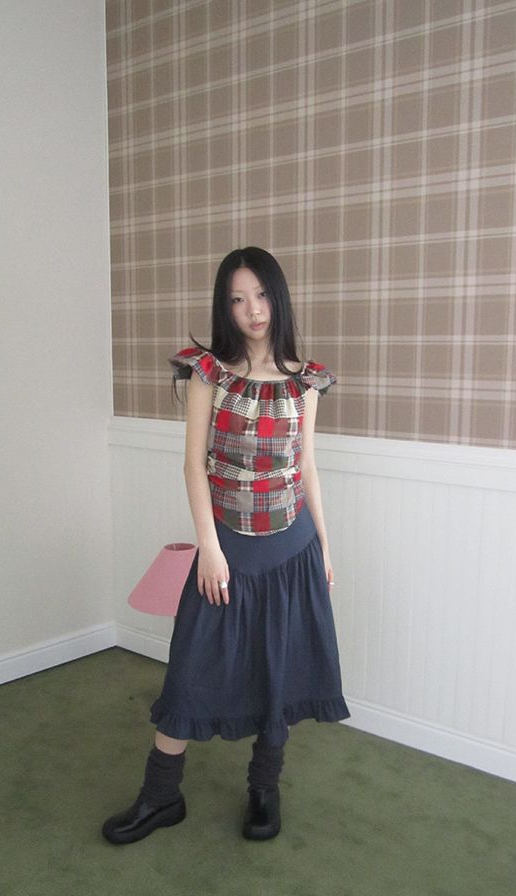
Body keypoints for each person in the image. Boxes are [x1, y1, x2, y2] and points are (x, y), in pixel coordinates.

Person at [102, 246, 350, 845]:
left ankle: (264, 788)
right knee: (189, 671)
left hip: (292, 550)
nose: (252, 310)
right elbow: (194, 466)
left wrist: (324, 545)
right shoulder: (207, 373)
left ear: (277, 297)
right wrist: (209, 549)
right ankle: (161, 796)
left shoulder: (306, 381)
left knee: (277, 672)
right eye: (238, 299)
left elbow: (306, 467)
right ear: (225, 307)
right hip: (227, 550)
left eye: (260, 295)